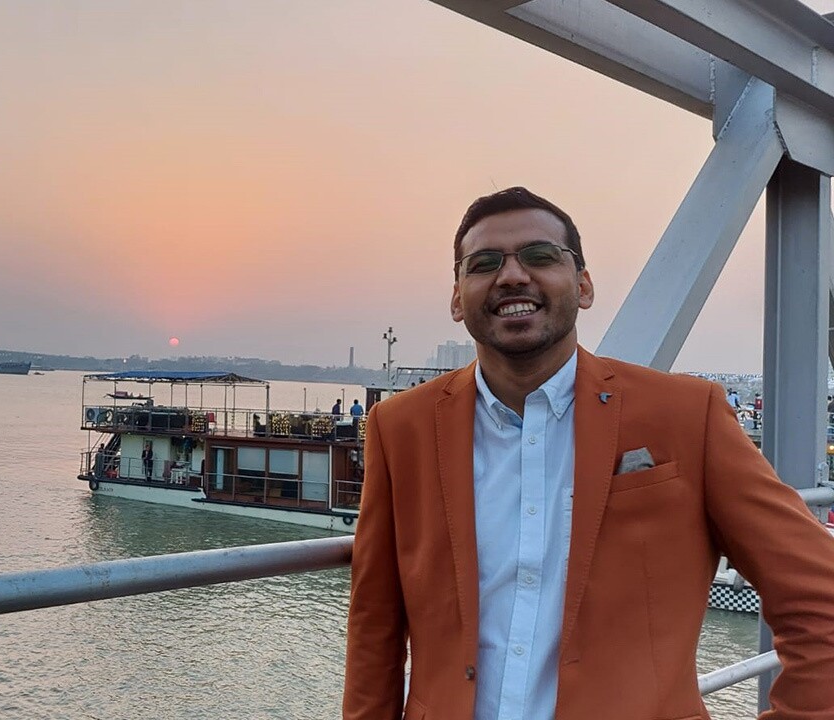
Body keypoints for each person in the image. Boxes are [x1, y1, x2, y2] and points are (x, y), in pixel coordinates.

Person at [344, 187, 834, 719]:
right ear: (457, 300)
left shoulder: (688, 416)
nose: (512, 276)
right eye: (484, 263)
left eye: (539, 256)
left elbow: (819, 598)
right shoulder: (400, 427)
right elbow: (375, 628)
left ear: (583, 286)